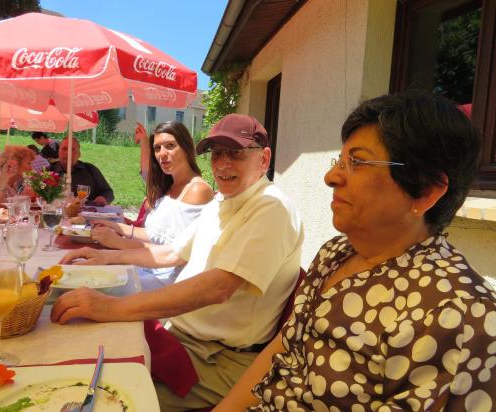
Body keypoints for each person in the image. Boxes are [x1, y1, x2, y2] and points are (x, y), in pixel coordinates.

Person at [216, 93, 496, 411]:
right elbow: (284, 346)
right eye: (339, 160)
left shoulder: (457, 314)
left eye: (358, 162)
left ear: (427, 191)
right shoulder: (335, 253)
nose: (331, 177)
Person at [51, 114, 304, 411]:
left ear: (264, 159)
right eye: (217, 154)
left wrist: (112, 307)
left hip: (217, 359)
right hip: (181, 336)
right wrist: (106, 256)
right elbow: (171, 253)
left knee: (101, 398)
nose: (223, 164)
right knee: (78, 357)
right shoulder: (224, 201)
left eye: (235, 153)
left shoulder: (272, 208)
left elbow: (218, 288)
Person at [91, 121, 213, 290]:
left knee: (94, 286)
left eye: (170, 146)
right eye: (157, 148)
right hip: (146, 268)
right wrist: (116, 226)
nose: (162, 154)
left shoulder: (197, 190)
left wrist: (118, 242)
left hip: (168, 282)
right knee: (86, 272)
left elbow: (173, 253)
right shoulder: (169, 186)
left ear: (186, 148)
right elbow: (156, 235)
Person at [50, 137, 114, 206]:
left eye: (72, 149)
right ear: (58, 152)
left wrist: (104, 198)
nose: (68, 153)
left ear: (79, 154)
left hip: (86, 214)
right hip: (57, 213)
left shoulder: (90, 170)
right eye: (64, 149)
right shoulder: (49, 171)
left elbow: (108, 192)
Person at [0, 145, 35, 209]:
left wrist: (31, 184)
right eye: (29, 163)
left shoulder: (14, 183)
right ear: (14, 164)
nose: (31, 168)